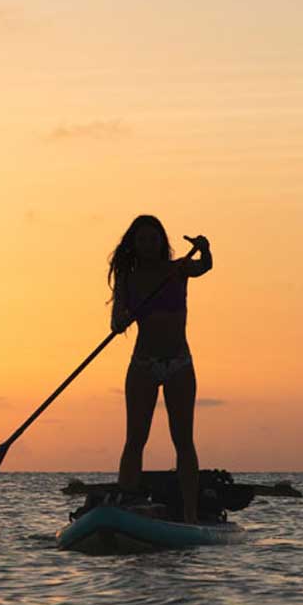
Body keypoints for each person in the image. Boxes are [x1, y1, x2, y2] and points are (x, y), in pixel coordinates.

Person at [107, 215, 212, 522]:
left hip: (179, 363)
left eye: (153, 240)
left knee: (183, 439)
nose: (148, 245)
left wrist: (205, 249)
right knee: (135, 439)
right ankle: (127, 504)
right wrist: (119, 322)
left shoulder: (178, 269)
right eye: (142, 240)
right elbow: (116, 317)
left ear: (161, 242)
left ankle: (190, 514)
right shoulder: (128, 278)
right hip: (143, 364)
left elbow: (205, 266)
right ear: (134, 245)